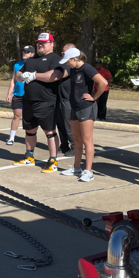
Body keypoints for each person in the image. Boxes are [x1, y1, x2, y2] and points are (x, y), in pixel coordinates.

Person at [13, 32, 64, 173]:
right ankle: (29, 156)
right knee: (29, 130)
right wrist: (22, 76)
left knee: (49, 131)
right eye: (38, 43)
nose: (40, 45)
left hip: (46, 101)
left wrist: (34, 75)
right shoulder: (31, 59)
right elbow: (17, 75)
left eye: (44, 43)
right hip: (28, 100)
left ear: (52, 43)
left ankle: (53, 160)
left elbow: (54, 76)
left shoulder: (55, 59)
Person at [58, 49, 108, 182]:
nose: (67, 64)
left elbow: (103, 82)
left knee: (87, 140)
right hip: (74, 106)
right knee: (77, 140)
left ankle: (89, 171)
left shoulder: (87, 68)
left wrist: (94, 97)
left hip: (86, 107)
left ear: (75, 58)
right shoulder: (73, 69)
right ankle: (76, 168)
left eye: (68, 61)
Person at [5, 46, 34, 145]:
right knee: (17, 115)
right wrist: (9, 93)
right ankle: (11, 138)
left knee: (32, 118)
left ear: (32, 54)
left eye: (27, 52)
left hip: (30, 95)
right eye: (23, 52)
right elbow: (13, 80)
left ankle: (32, 138)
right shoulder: (17, 65)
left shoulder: (35, 65)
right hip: (18, 95)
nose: (24, 53)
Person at [55, 43, 77, 156]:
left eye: (65, 51)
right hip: (59, 98)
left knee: (69, 124)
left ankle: (74, 146)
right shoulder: (62, 63)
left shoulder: (71, 65)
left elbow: (62, 75)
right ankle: (64, 145)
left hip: (68, 99)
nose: (62, 53)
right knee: (60, 123)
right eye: (62, 51)